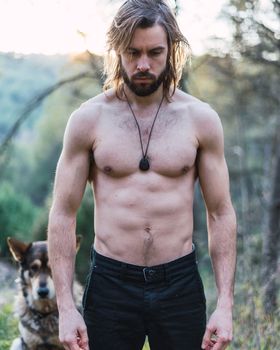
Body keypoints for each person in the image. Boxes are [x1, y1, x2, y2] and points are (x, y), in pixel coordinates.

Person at [48, 1, 237, 349]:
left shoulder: (201, 119)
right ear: (117, 50)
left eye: (155, 52)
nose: (144, 64)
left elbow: (220, 212)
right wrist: (66, 308)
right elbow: (63, 213)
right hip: (110, 286)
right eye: (133, 53)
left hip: (179, 283)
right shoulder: (88, 120)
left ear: (172, 50)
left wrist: (225, 304)